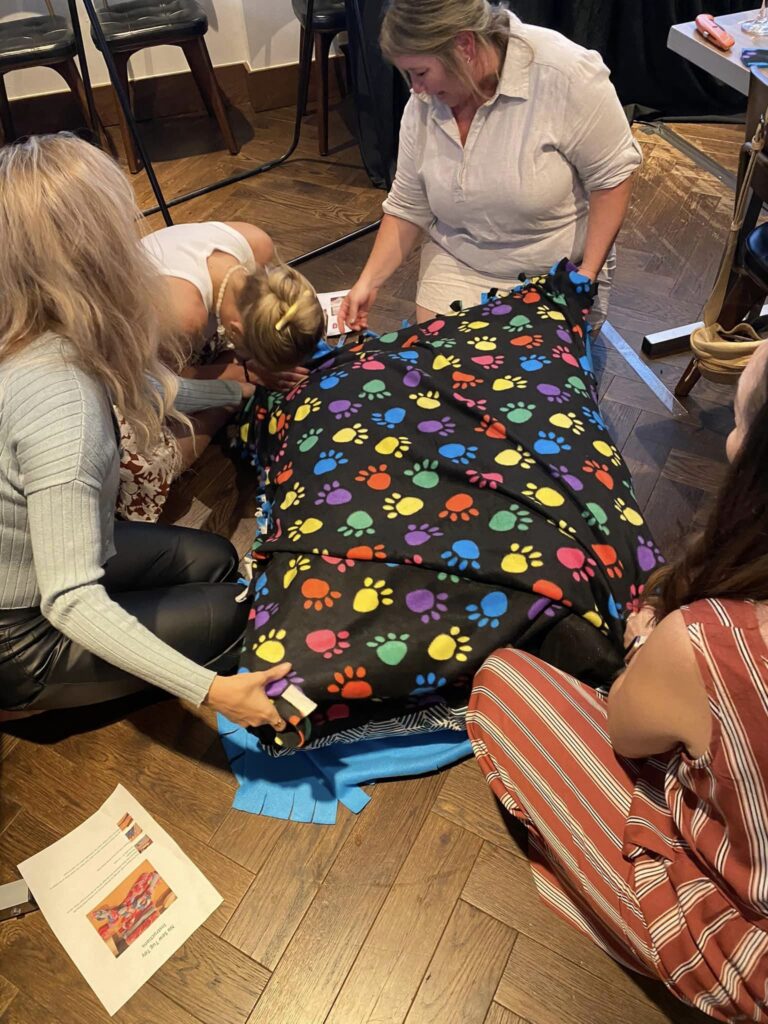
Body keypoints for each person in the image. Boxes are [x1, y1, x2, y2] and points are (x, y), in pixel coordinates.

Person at [467, 341, 768, 1022]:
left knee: (504, 680)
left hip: (747, 942)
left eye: (741, 422)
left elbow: (625, 733)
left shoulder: (713, 639)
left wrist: (648, 648)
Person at [0, 133, 288, 732]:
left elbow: (155, 390)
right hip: (20, 633)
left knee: (216, 562)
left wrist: (239, 391)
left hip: (40, 555)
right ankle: (25, 697)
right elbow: (69, 599)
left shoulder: (45, 333)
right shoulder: (61, 406)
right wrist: (213, 692)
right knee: (236, 616)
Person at [339, 0, 641, 332]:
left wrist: (587, 276)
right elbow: (409, 205)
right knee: (447, 375)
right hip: (458, 262)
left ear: (465, 46)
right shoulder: (425, 100)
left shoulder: (565, 73)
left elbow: (611, 179)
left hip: (555, 272)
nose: (416, 88)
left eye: (421, 73)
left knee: (527, 382)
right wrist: (368, 282)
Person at [117, 222, 326, 522]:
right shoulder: (185, 318)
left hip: (160, 335)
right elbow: (153, 387)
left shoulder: (257, 245)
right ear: (237, 331)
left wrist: (246, 369)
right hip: (130, 367)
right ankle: (227, 401)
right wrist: (240, 386)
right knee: (148, 468)